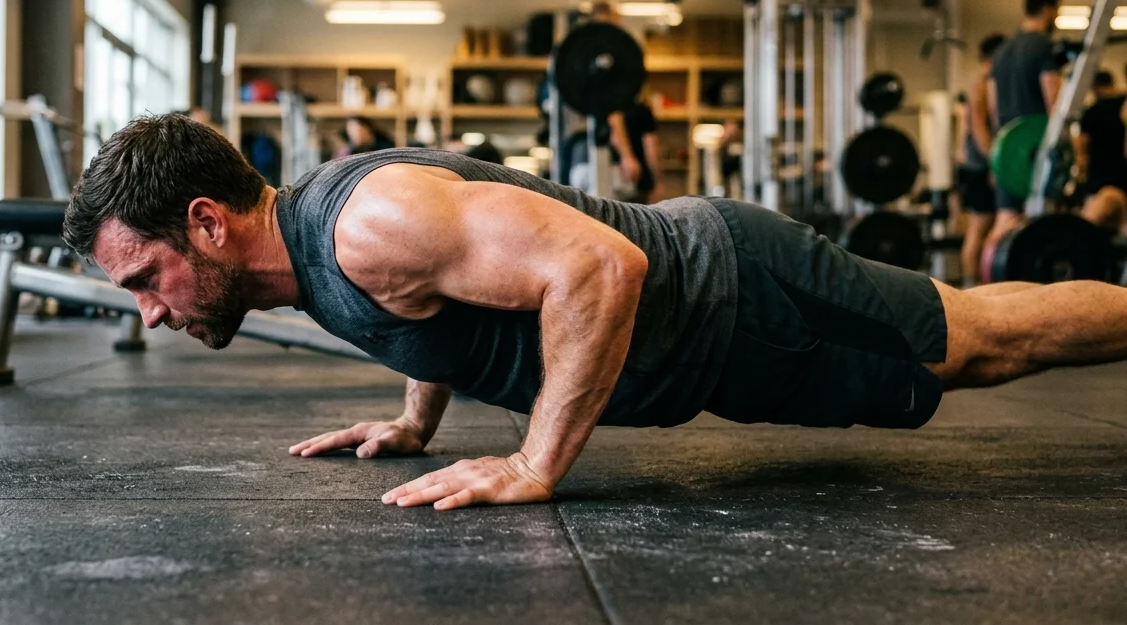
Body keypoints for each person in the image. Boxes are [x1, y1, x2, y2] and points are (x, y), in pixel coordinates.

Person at [64, 114, 1127, 512]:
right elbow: (429, 309)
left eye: (143, 279)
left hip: (738, 295)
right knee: (980, 334)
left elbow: (600, 269)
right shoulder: (305, 253)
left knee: (988, 341)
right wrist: (417, 421)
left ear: (205, 223)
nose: (149, 315)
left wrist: (535, 464)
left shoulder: (363, 223)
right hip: (716, 352)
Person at [986, 0, 1063, 249]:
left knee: (1005, 218)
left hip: (1008, 147)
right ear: (1047, 9)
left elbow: (994, 105)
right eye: (1057, 10)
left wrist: (999, 153)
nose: (1057, 16)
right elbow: (1055, 102)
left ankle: (988, 286)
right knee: (1042, 221)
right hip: (1037, 148)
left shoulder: (1002, 51)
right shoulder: (1043, 46)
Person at [589, 1, 663, 204]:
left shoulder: (639, 106)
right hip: (617, 169)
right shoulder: (601, 84)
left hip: (628, 173)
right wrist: (627, 157)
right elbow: (614, 116)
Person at [956, 34, 1005, 287]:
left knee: (986, 229)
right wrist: (995, 163)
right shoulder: (982, 85)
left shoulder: (988, 83)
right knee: (978, 229)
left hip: (978, 166)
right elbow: (979, 129)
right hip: (980, 167)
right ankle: (970, 287)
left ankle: (979, 285)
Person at [1074, 70, 1127, 231]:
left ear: (1095, 87)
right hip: (1122, 177)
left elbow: (1080, 146)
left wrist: (1080, 170)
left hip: (1100, 180)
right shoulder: (1123, 103)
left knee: (1092, 228)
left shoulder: (1092, 112)